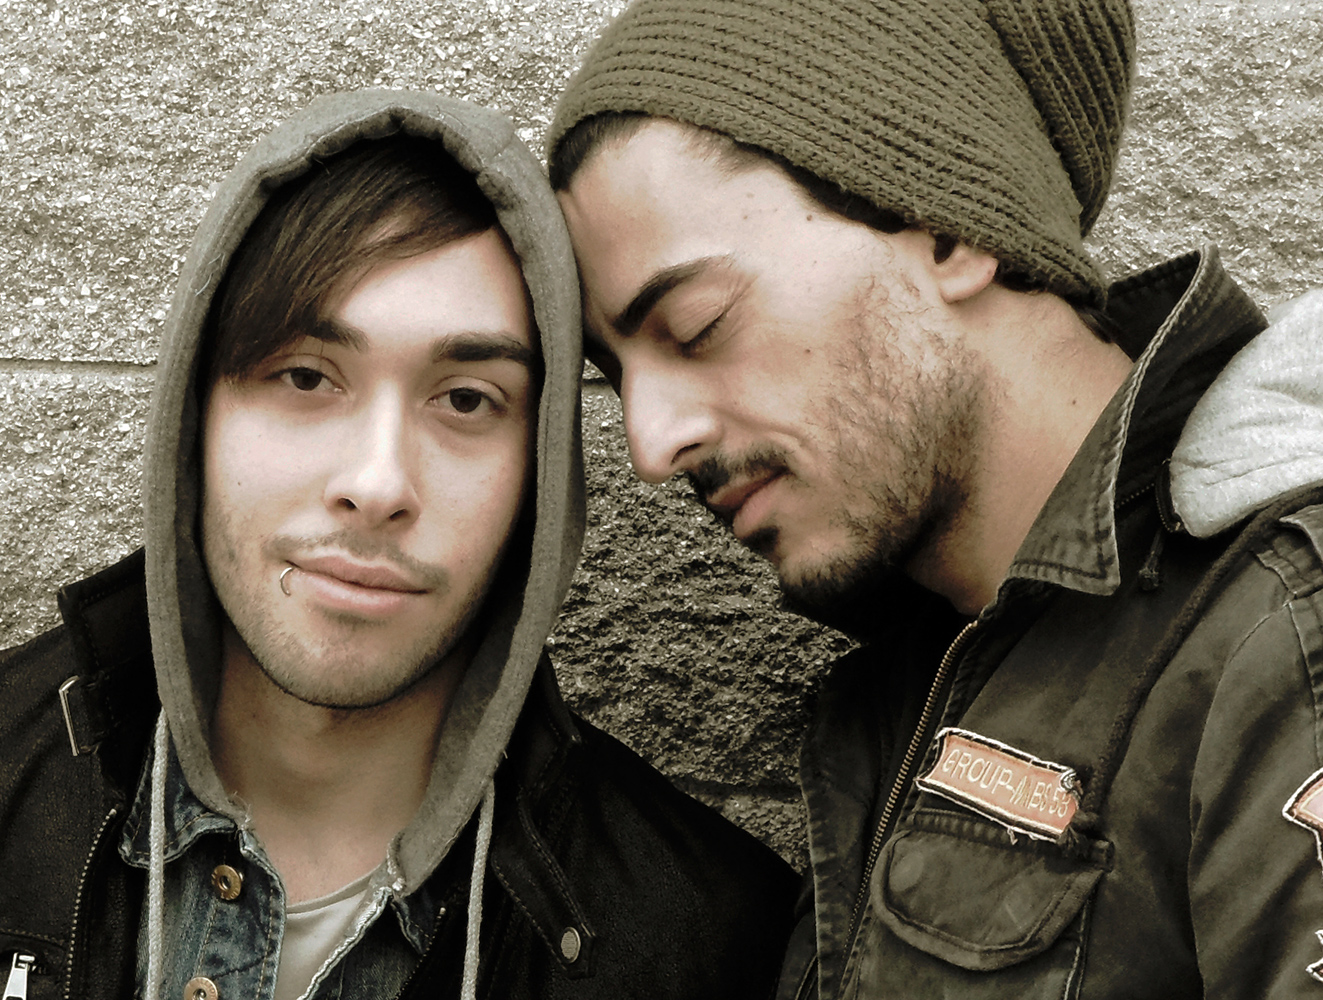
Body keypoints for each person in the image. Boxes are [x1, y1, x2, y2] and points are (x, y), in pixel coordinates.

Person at [545, 1, 1323, 997]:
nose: (651, 445)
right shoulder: (926, 662)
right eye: (616, 376)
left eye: (696, 326)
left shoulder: (1285, 641)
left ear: (952, 231)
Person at [0, 89, 799, 1000]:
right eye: (306, 377)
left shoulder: (716, 948)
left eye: (465, 399)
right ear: (196, 422)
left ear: (542, 472)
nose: (377, 484)